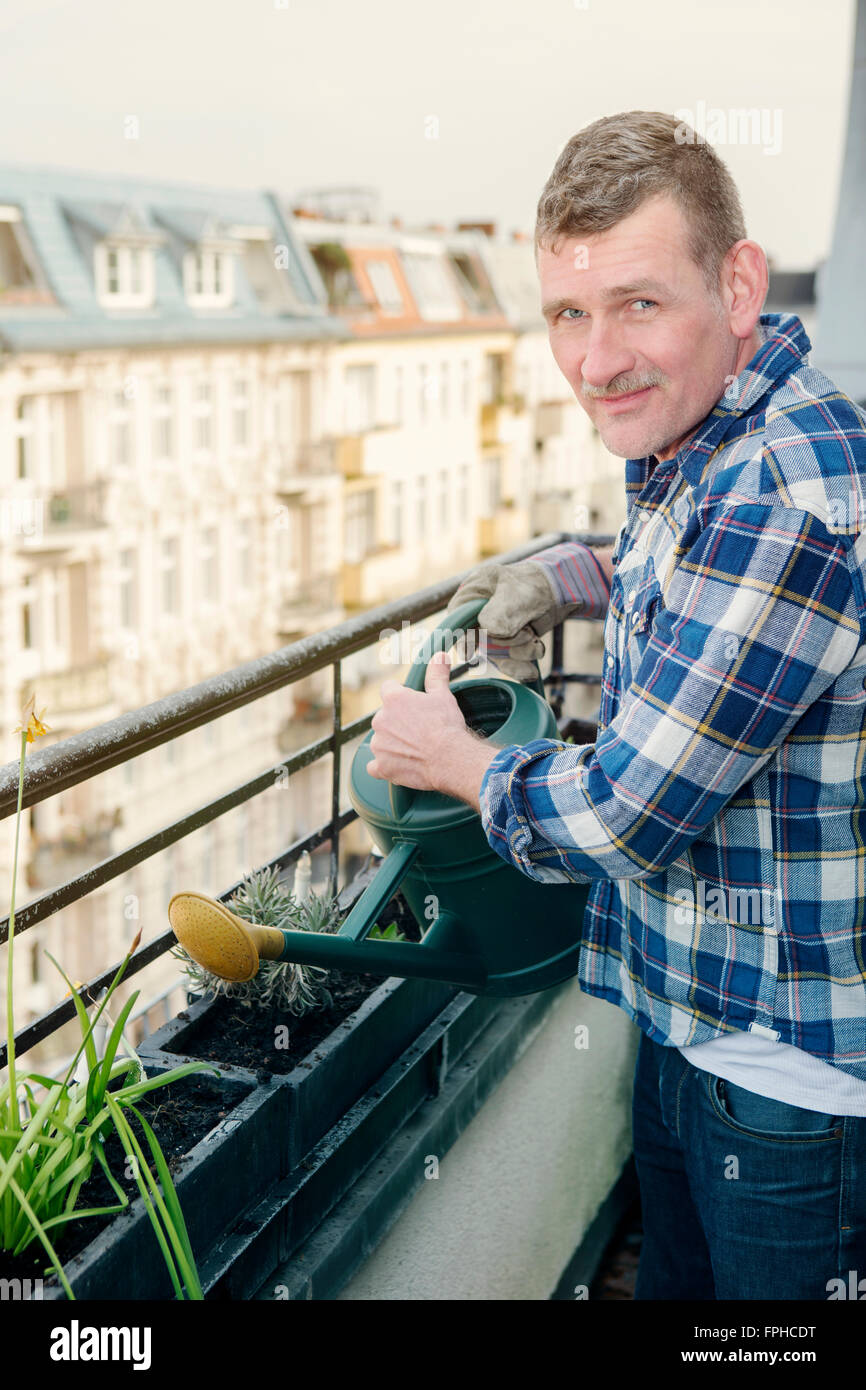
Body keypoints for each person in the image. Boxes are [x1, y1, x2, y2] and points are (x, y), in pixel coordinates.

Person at [366, 109, 866, 1301]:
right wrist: (567, 573)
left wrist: (456, 763)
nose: (595, 360)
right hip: (698, 1019)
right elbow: (691, 582)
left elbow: (626, 816)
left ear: (737, 283)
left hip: (788, 1082)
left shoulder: (791, 490)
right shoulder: (710, 438)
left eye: (637, 303)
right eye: (566, 315)